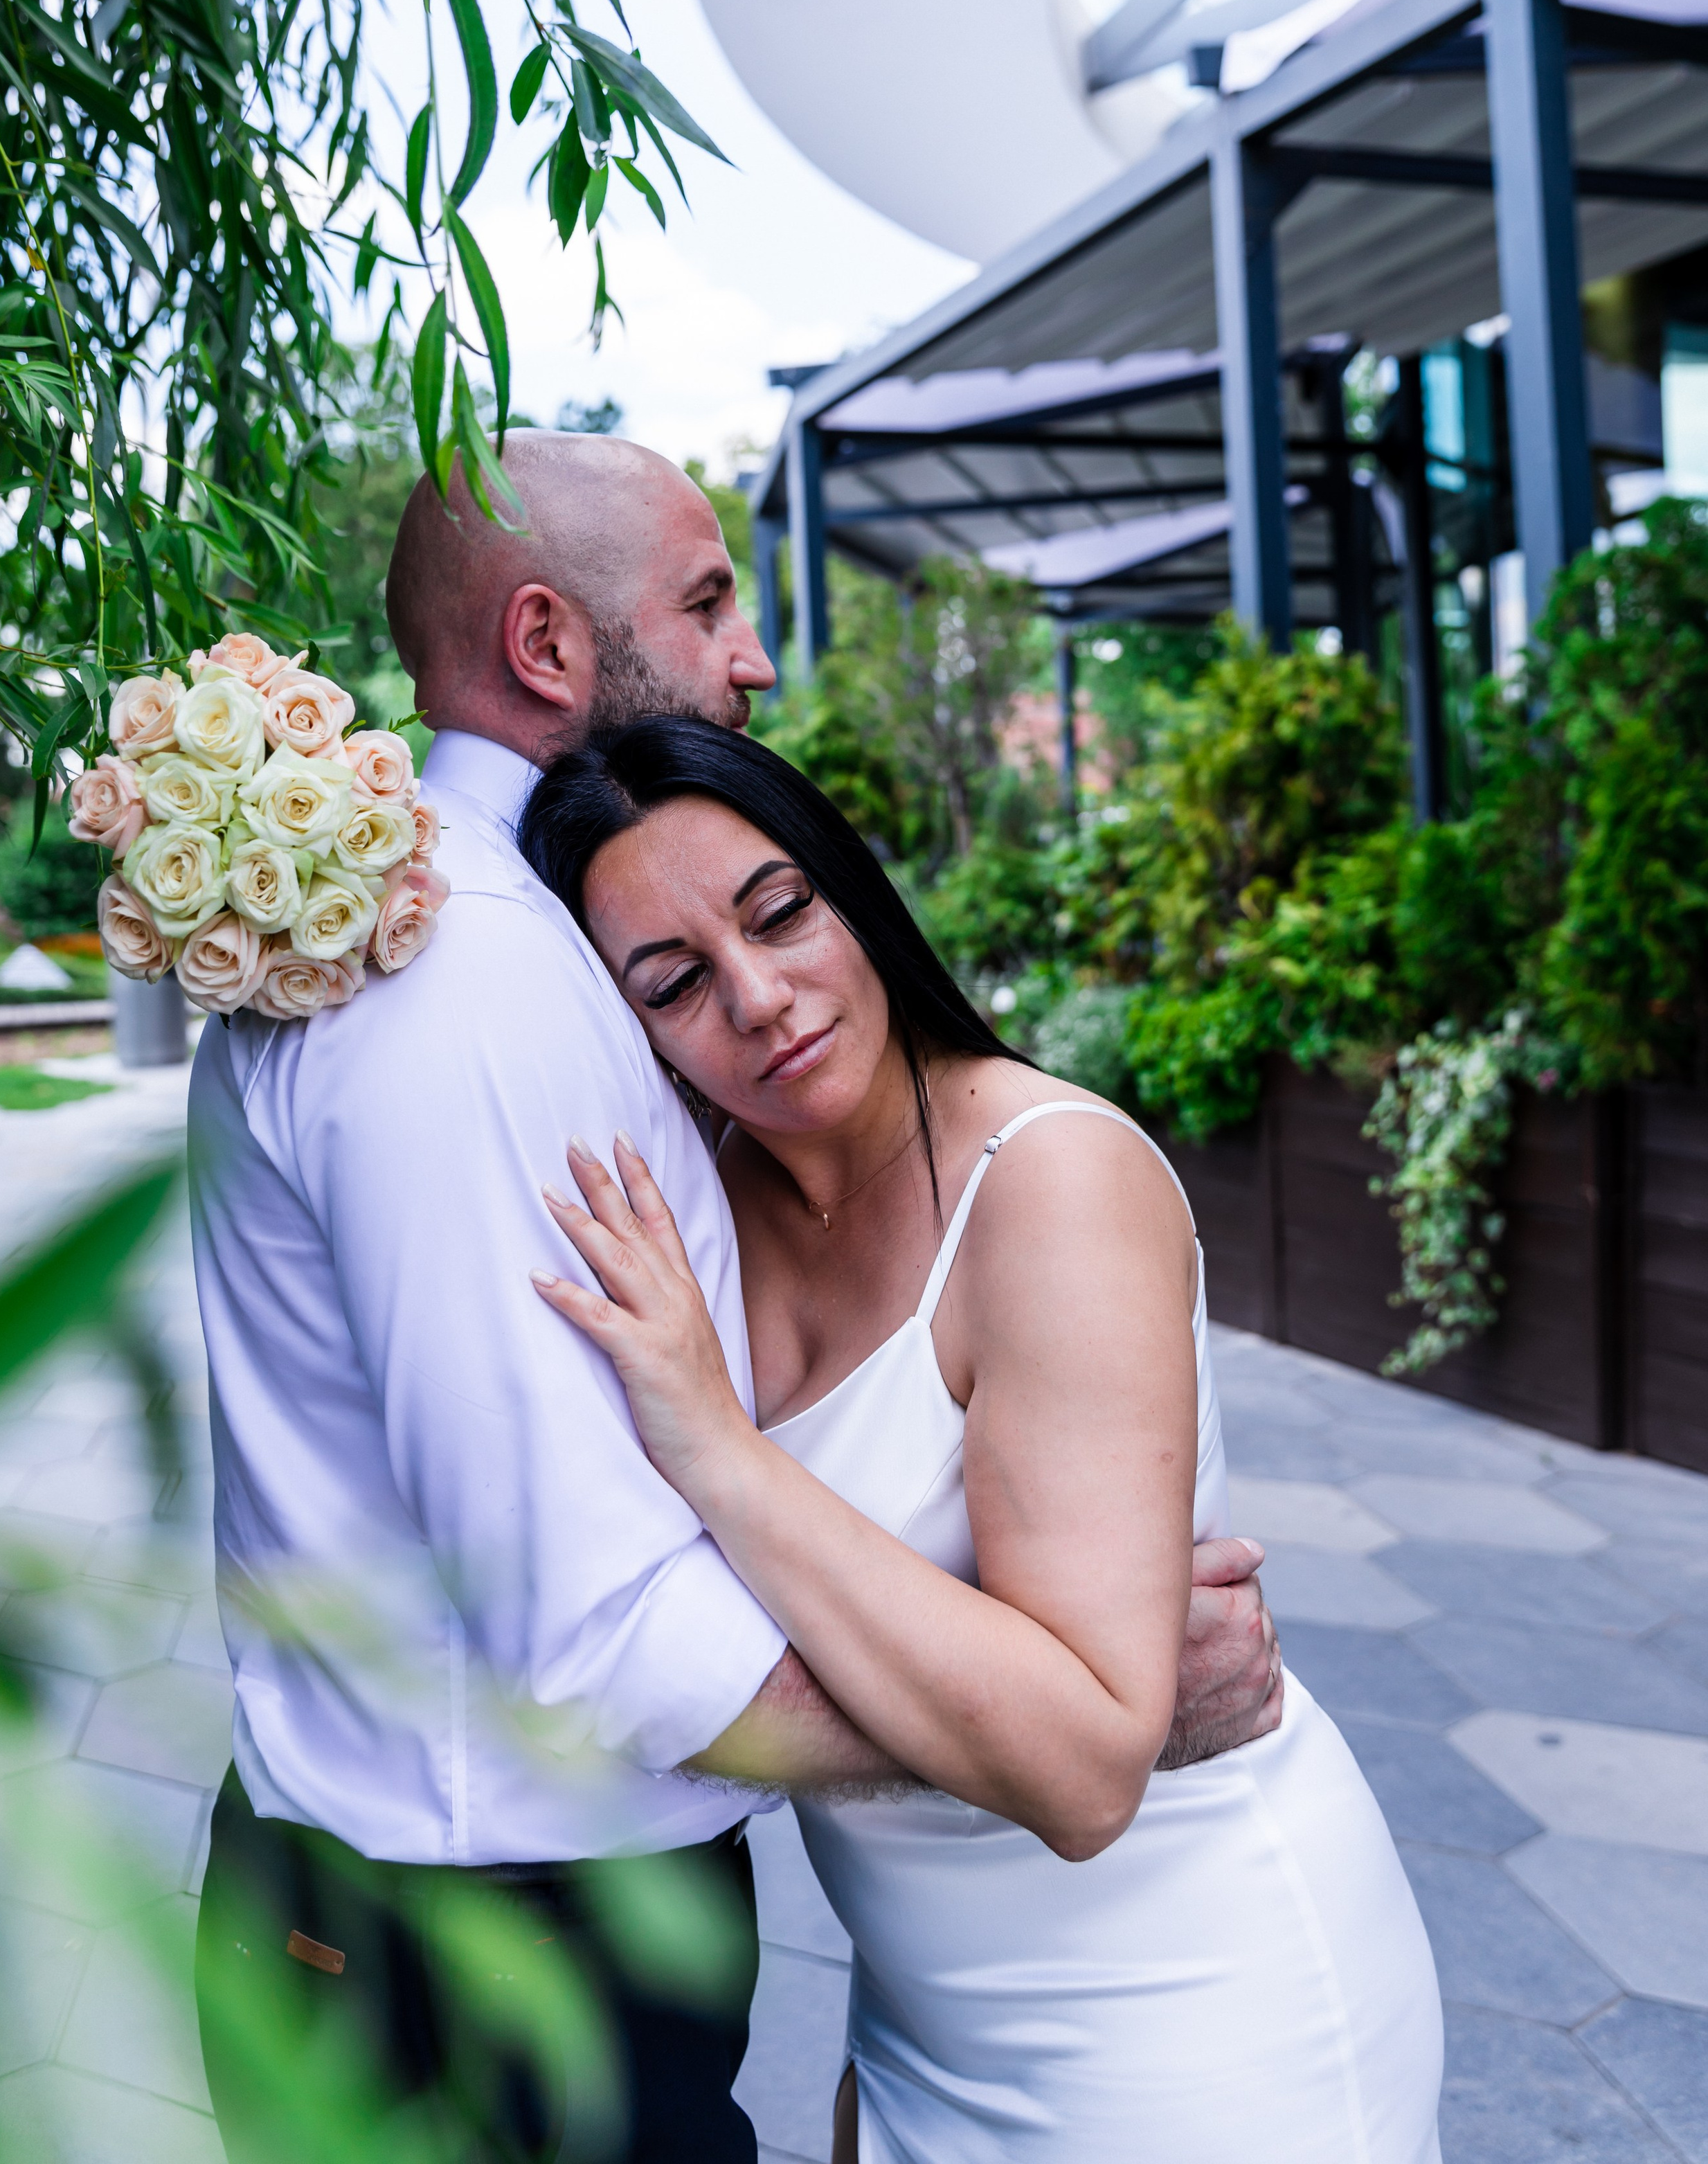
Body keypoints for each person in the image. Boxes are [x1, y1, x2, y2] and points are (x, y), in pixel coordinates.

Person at [187, 431, 1282, 2163]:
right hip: (485, 1975)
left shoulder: (494, 930)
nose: (754, 654)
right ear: (545, 645)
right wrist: (1082, 1718)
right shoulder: (463, 977)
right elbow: (604, 1632)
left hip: (457, 1932)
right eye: (706, 601)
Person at [521, 714, 1446, 2164]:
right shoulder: (690, 1214)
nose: (760, 999)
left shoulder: (1046, 1184)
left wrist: (715, 1443)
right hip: (917, 2013)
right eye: (678, 982)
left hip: (1195, 2018)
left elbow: (1081, 1774)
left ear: (851, 891)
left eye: (782, 914)